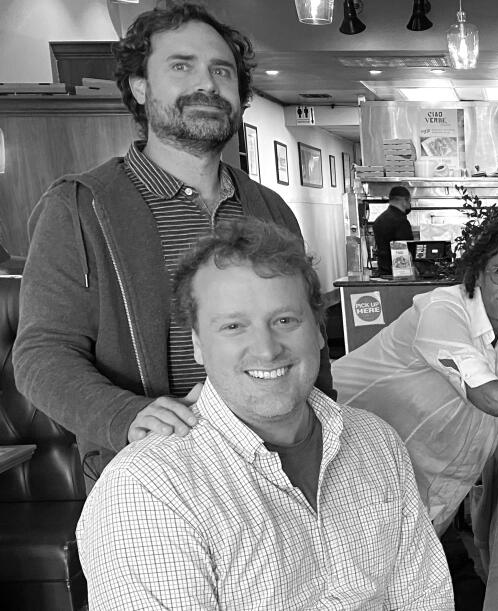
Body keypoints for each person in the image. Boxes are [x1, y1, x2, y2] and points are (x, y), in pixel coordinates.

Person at [14, 2, 333, 474]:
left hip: (277, 466)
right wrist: (124, 415)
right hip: (154, 472)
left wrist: (326, 431)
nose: (207, 84)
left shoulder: (269, 208)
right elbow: (41, 354)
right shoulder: (81, 208)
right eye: (181, 66)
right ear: (140, 88)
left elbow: (309, 336)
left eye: (222, 71)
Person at [76, 218, 452, 609]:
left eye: (285, 320)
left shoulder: (376, 442)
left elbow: (425, 597)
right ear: (198, 345)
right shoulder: (148, 490)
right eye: (234, 326)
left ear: (320, 331)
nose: (267, 349)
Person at [333, 215, 498, 536]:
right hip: (344, 469)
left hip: (420, 501)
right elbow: (493, 397)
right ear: (479, 274)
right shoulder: (443, 310)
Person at [373, 185, 415, 277]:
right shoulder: (401, 221)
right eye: (409, 201)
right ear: (404, 201)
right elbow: (408, 249)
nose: (409, 204)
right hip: (400, 273)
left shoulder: (379, 220)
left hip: (383, 271)